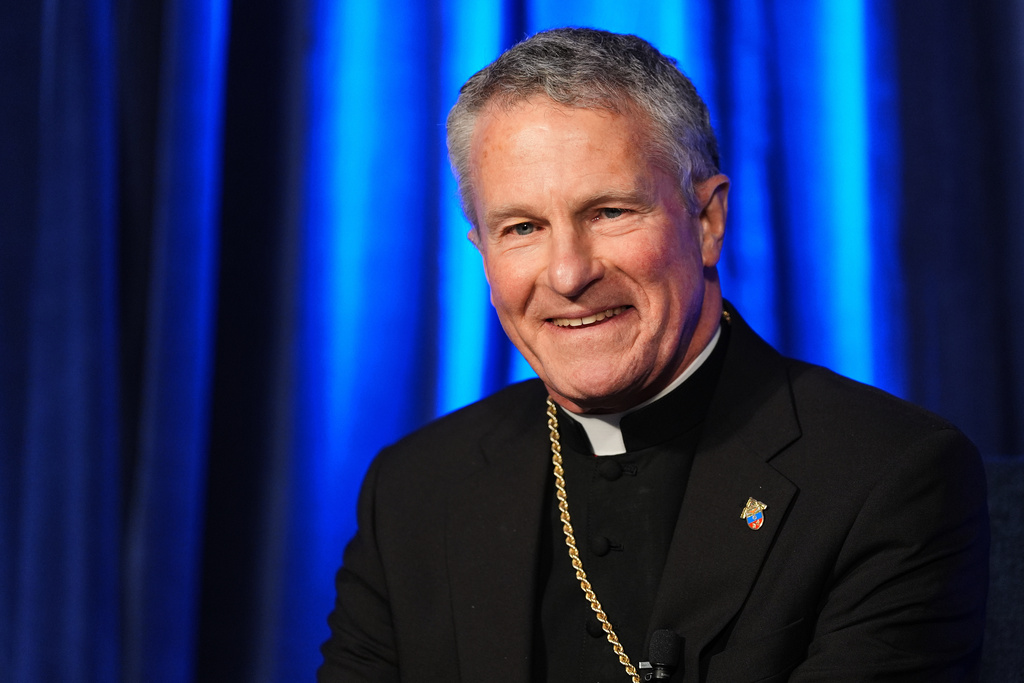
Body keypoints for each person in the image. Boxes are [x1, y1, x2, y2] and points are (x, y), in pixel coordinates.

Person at [318, 28, 989, 682]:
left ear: (707, 221)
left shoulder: (887, 474)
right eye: (522, 228)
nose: (567, 273)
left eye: (609, 212)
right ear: (482, 253)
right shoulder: (414, 487)